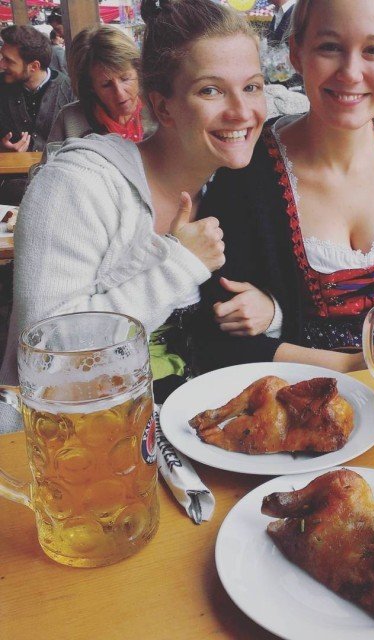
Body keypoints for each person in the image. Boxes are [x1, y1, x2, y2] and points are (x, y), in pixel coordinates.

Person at [194, 0, 374, 373]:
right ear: (297, 52)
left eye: (373, 50)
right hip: (299, 396)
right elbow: (216, 342)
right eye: (329, 47)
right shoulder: (246, 174)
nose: (350, 73)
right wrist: (352, 364)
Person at [0, 0, 266, 404]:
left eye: (252, 87)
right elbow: (45, 358)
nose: (242, 111)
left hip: (197, 425)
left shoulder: (230, 185)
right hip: (75, 432)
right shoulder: (77, 185)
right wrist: (178, 266)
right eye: (210, 90)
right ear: (161, 105)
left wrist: (271, 312)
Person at [48, 26, 155, 145]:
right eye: (106, 85)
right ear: (91, 88)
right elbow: (52, 155)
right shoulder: (70, 121)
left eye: (125, 79)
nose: (120, 94)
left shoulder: (158, 110)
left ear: (138, 71)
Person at [0, 25, 73, 152]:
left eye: (8, 60)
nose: (1, 64)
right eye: (2, 57)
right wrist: (3, 148)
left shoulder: (70, 91)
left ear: (34, 66)